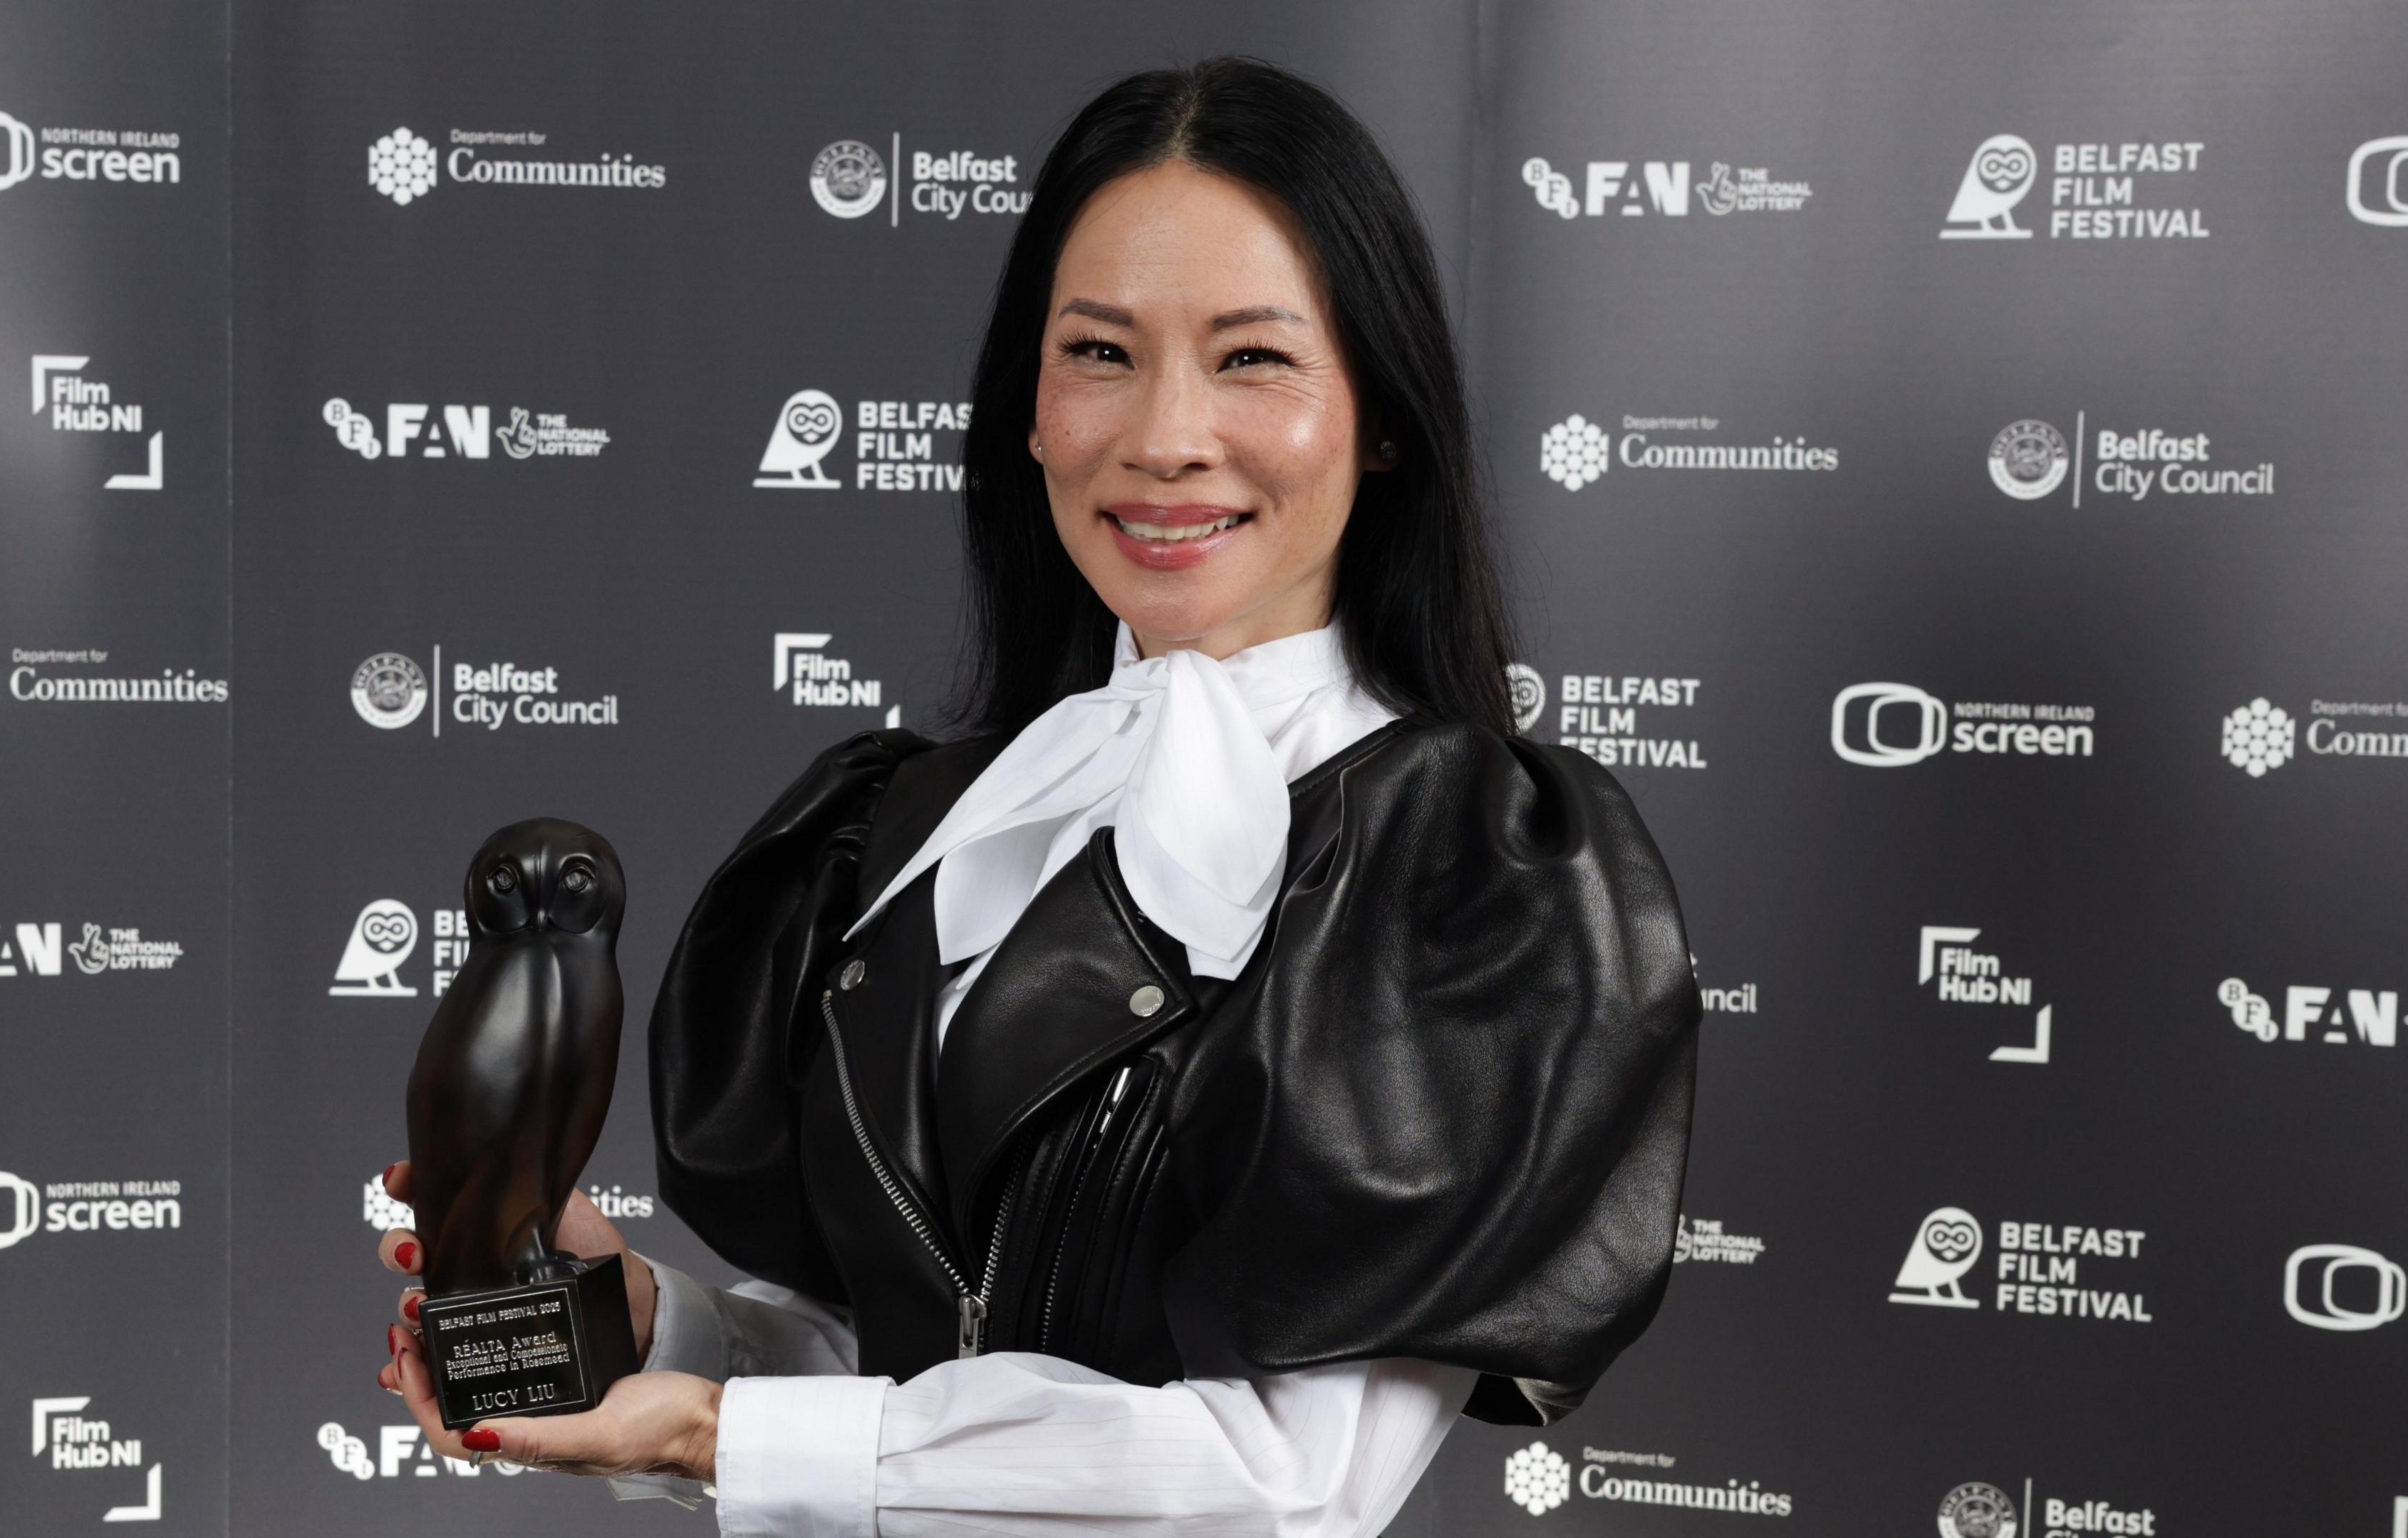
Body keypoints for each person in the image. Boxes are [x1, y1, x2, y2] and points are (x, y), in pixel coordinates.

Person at [375, 55, 1699, 1537]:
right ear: (1029, 405)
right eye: (1101, 354)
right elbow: (891, 1358)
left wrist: (713, 1432)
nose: (1163, 436)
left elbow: (1284, 1486)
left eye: (1252, 358)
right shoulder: (919, 822)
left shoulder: (1465, 877)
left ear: (1378, 414)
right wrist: (645, 1327)